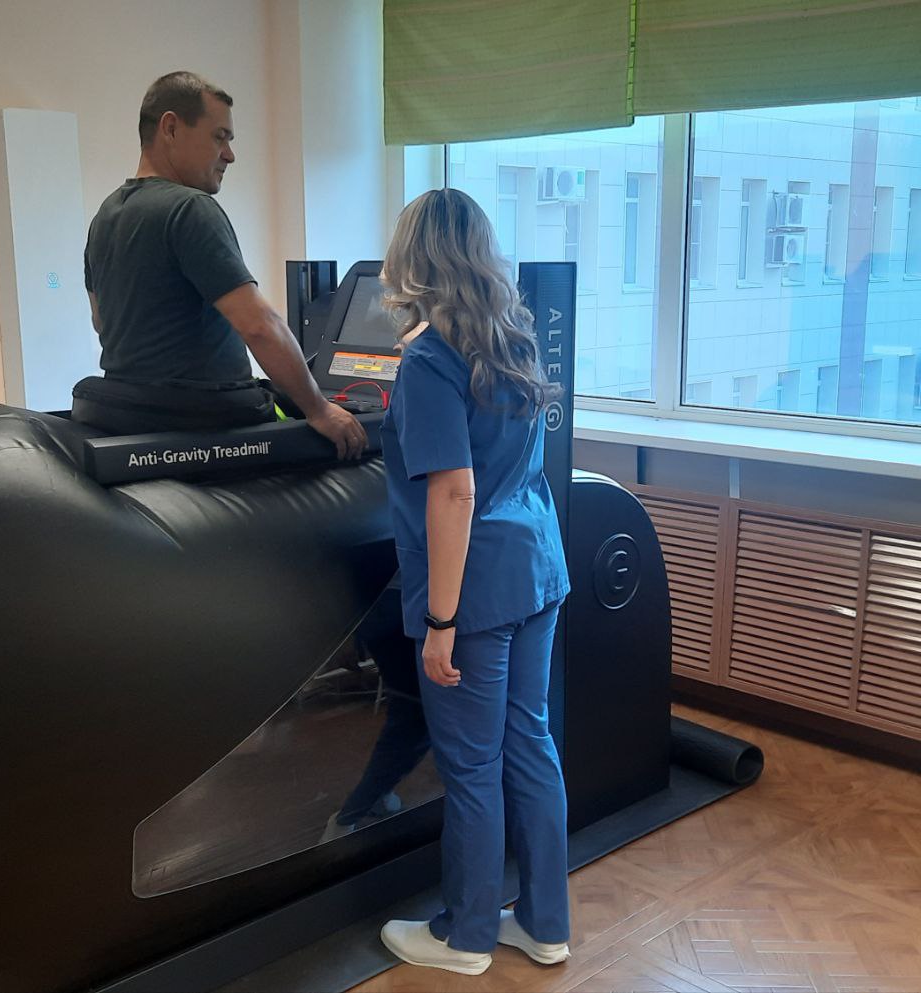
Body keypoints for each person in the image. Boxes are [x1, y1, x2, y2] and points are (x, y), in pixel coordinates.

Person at [376, 189, 572, 976]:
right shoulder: (512, 336)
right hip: (535, 571)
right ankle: (545, 924)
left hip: (476, 592)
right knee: (531, 744)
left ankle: (465, 936)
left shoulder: (429, 358)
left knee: (471, 765)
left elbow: (454, 492)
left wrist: (441, 620)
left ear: (412, 258)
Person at [75, 71, 366, 459]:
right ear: (171, 128)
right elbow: (260, 326)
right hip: (209, 420)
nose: (229, 154)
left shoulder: (106, 216)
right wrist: (319, 409)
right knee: (342, 429)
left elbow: (102, 321)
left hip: (132, 417)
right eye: (219, 137)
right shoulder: (190, 208)